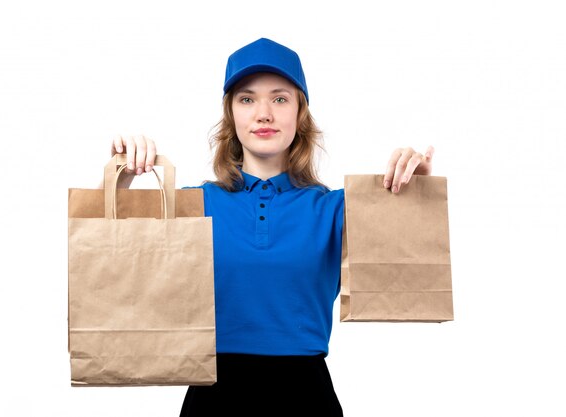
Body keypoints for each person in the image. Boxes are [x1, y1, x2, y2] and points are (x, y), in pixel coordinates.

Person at [109, 38, 434, 416]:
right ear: (231, 114)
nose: (263, 113)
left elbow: (412, 254)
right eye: (247, 99)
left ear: (300, 114)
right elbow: (114, 257)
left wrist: (419, 189)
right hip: (213, 396)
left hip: (305, 396)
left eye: (280, 99)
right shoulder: (194, 204)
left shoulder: (335, 208)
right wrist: (122, 176)